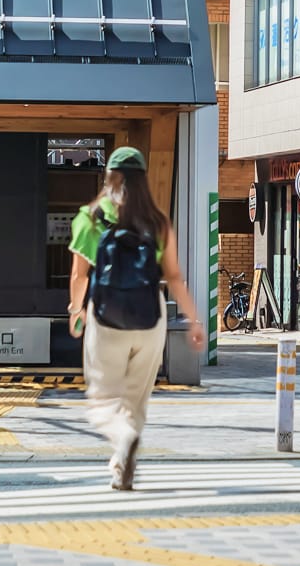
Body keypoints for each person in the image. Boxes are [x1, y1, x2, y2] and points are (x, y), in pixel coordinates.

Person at [66, 146, 206, 491]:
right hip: (150, 316)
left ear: (109, 177)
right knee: (136, 397)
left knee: (103, 397)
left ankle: (123, 440)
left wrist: (76, 311)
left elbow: (79, 275)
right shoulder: (158, 221)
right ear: (144, 180)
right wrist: (193, 320)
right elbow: (174, 276)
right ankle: (123, 456)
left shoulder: (90, 216)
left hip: (106, 316)